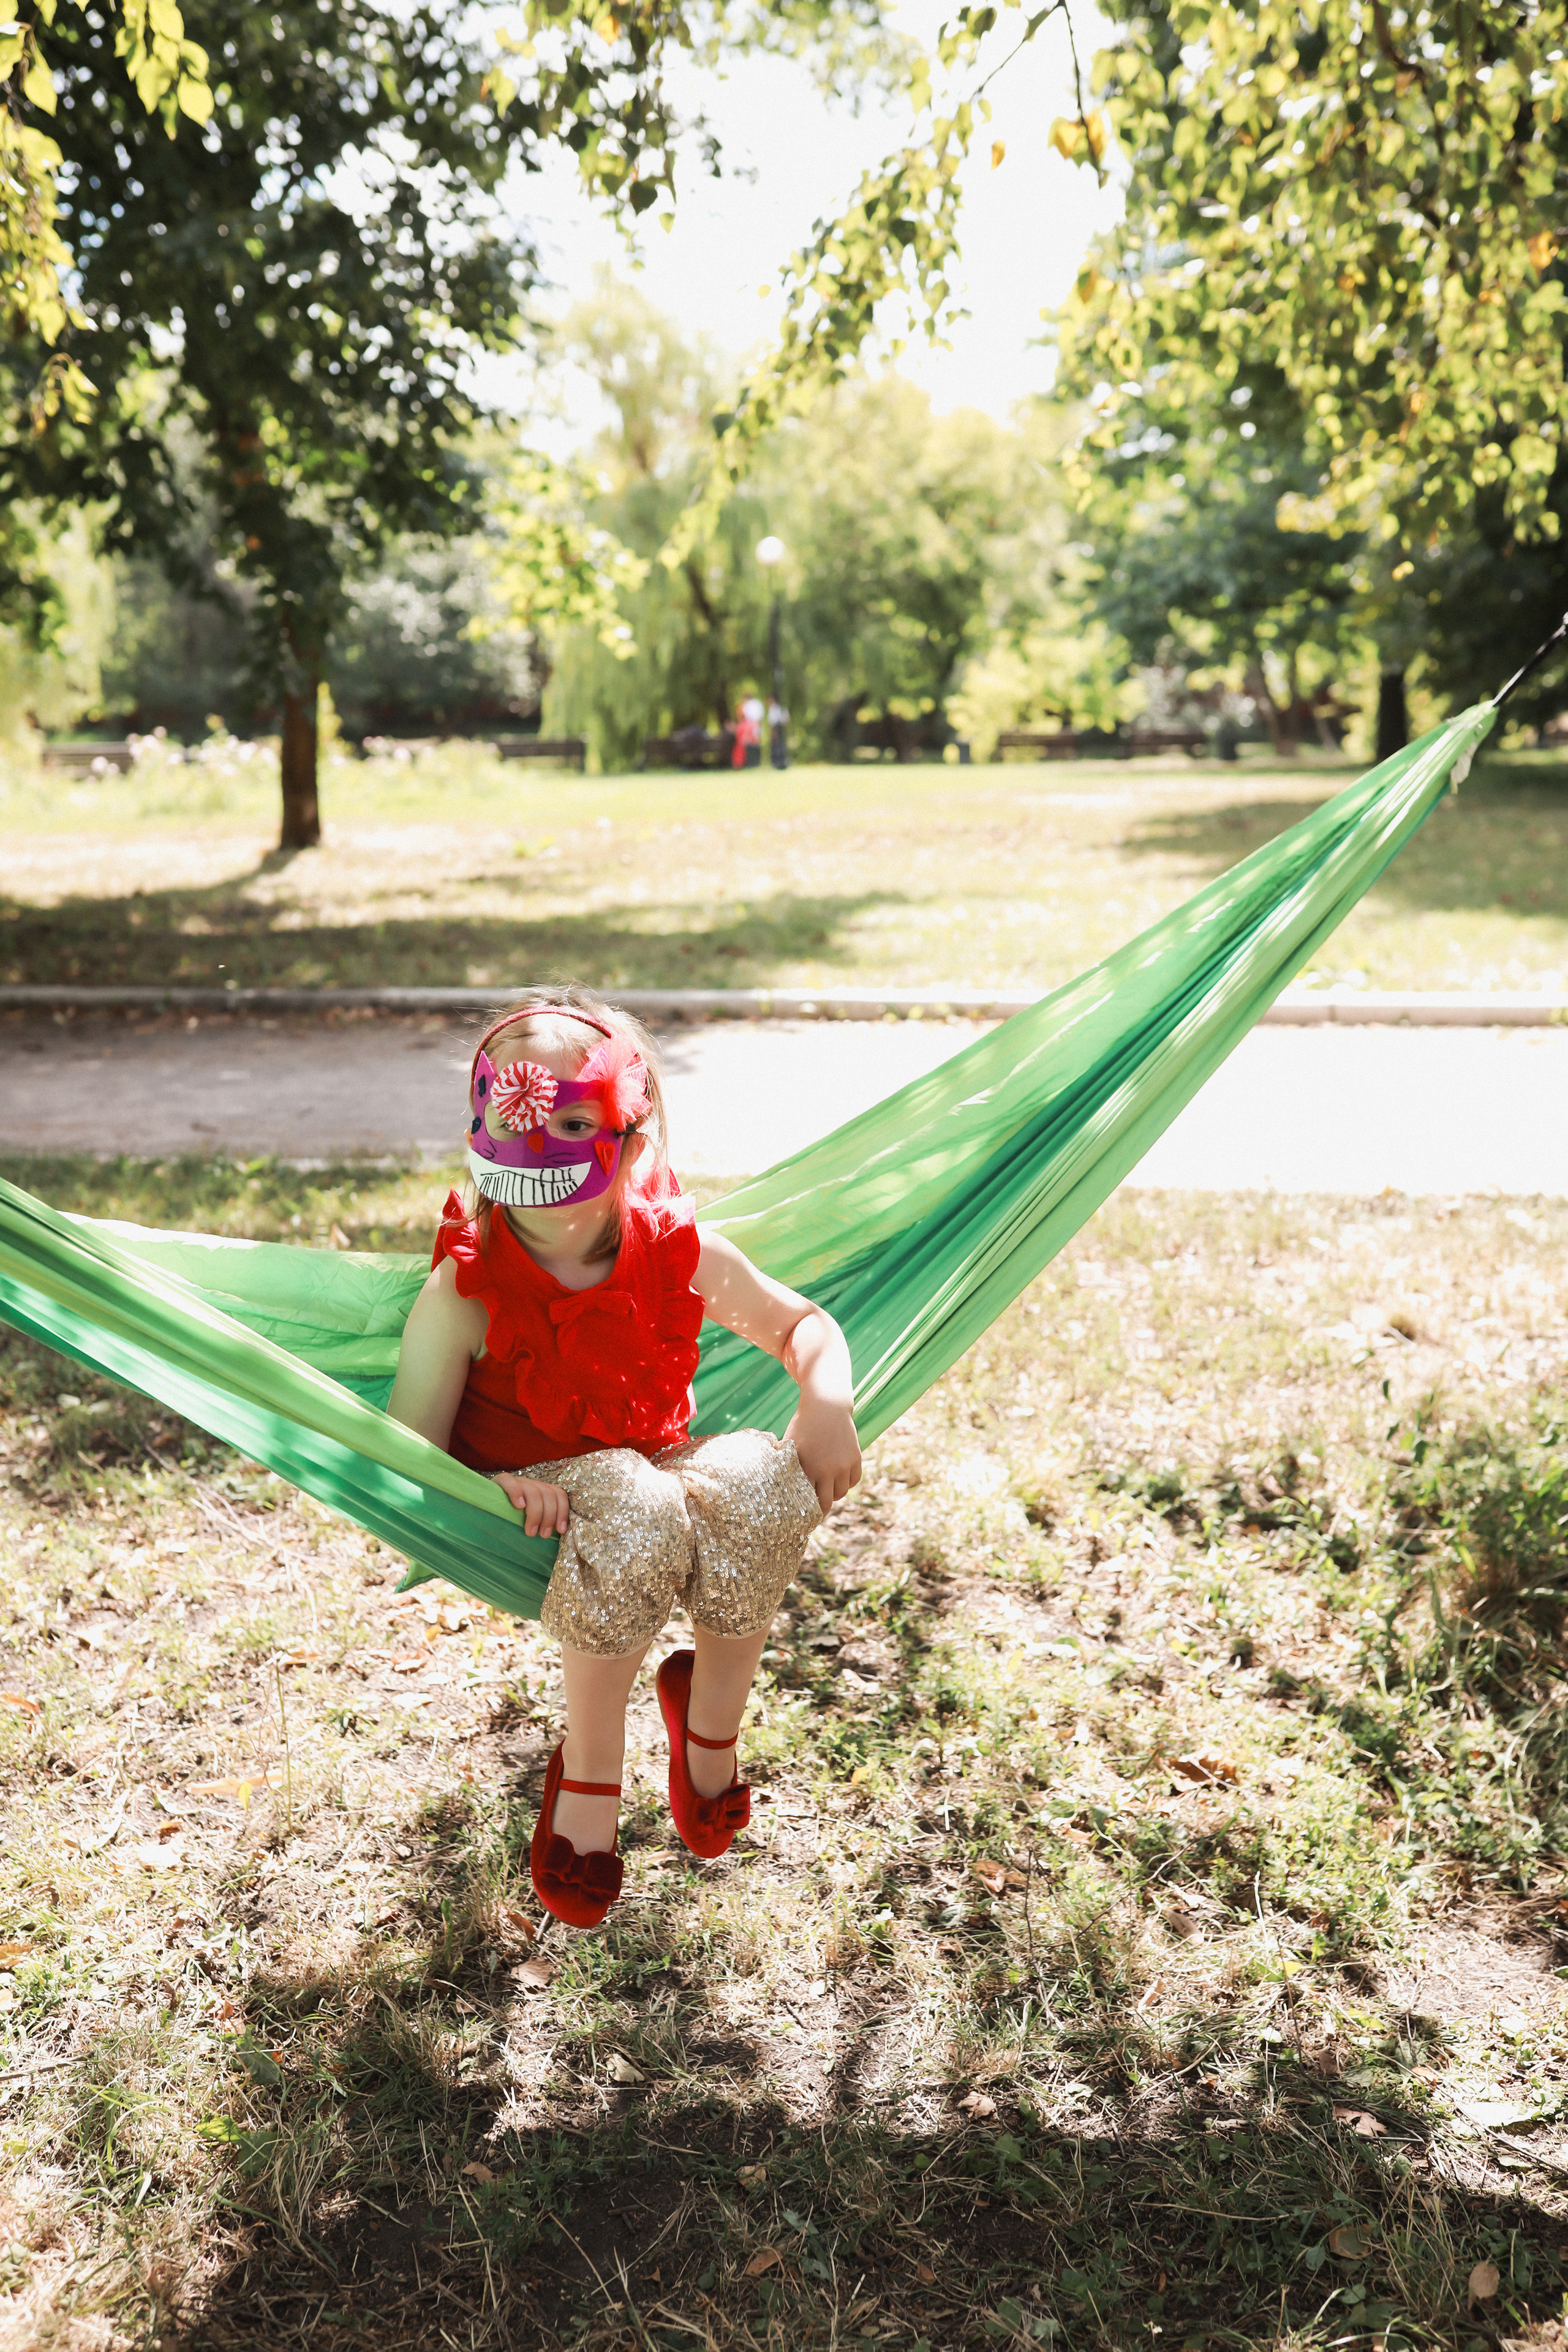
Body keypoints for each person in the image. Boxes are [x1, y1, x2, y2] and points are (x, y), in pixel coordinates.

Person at [388, 986, 861, 1929]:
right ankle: (590, 1780)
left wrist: (829, 1397)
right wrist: (491, 1487)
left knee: (764, 1477)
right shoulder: (469, 1286)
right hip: (542, 1500)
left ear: (633, 1145)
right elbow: (402, 1453)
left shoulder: (677, 1248)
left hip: (651, 1472)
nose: (544, 1201)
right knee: (632, 1495)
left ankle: (708, 1727)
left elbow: (800, 1325)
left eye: (571, 1139)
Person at [732, 692, 764, 769]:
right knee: (754, 745)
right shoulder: (757, 704)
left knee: (747, 745)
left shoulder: (748, 706)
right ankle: (754, 763)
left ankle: (746, 763)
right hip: (753, 726)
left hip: (749, 726)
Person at [767, 696, 789, 769]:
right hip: (779, 729)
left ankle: (779, 763)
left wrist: (774, 730)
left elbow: (772, 721)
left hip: (778, 729)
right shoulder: (781, 708)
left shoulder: (775, 709)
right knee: (778, 746)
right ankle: (778, 763)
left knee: (778, 747)